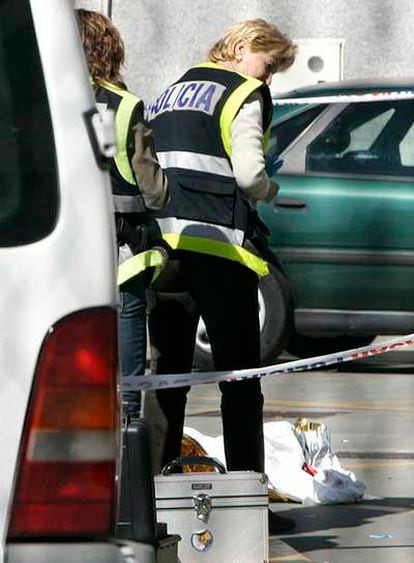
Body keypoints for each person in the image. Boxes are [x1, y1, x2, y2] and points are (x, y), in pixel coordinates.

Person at [147, 19, 296, 533]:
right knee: (240, 381)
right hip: (216, 250)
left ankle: (153, 503)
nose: (269, 78)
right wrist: (270, 194)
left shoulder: (170, 91)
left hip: (164, 251)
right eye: (270, 64)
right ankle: (248, 505)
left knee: (169, 379)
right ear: (240, 48)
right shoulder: (244, 92)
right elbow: (250, 175)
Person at [76, 9, 169, 417]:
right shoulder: (124, 105)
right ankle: (129, 418)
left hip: (59, 241)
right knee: (128, 321)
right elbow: (154, 189)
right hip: (119, 243)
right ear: (109, 49)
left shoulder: (39, 99)